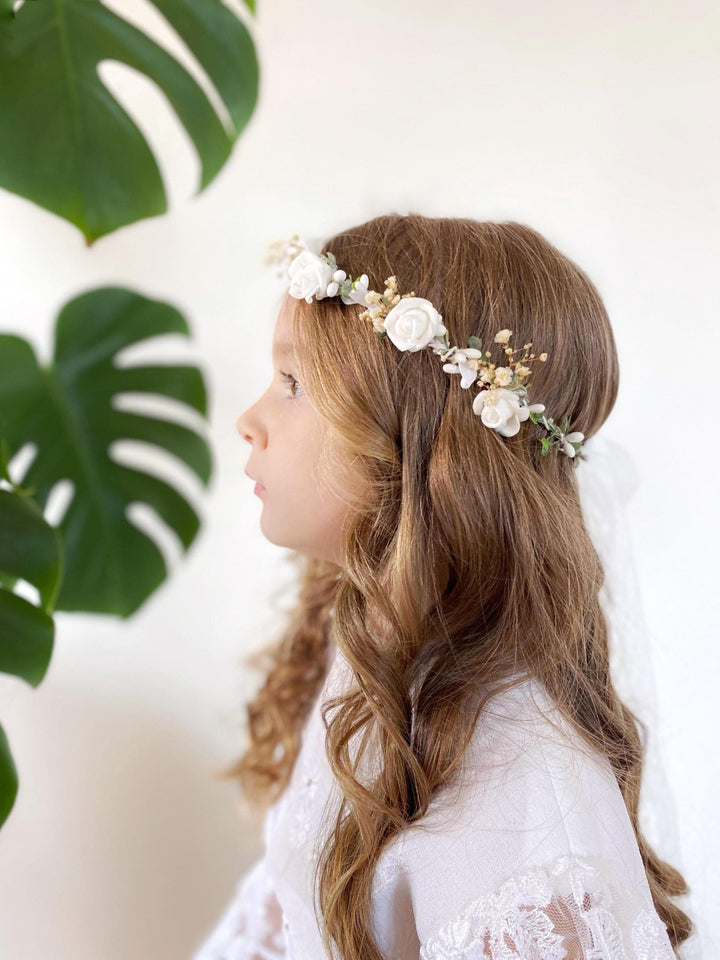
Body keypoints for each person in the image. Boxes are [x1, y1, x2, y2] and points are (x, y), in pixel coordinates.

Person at [192, 214, 698, 960]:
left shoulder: (519, 798)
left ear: (422, 435)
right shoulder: (376, 671)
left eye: (293, 382)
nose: (249, 420)